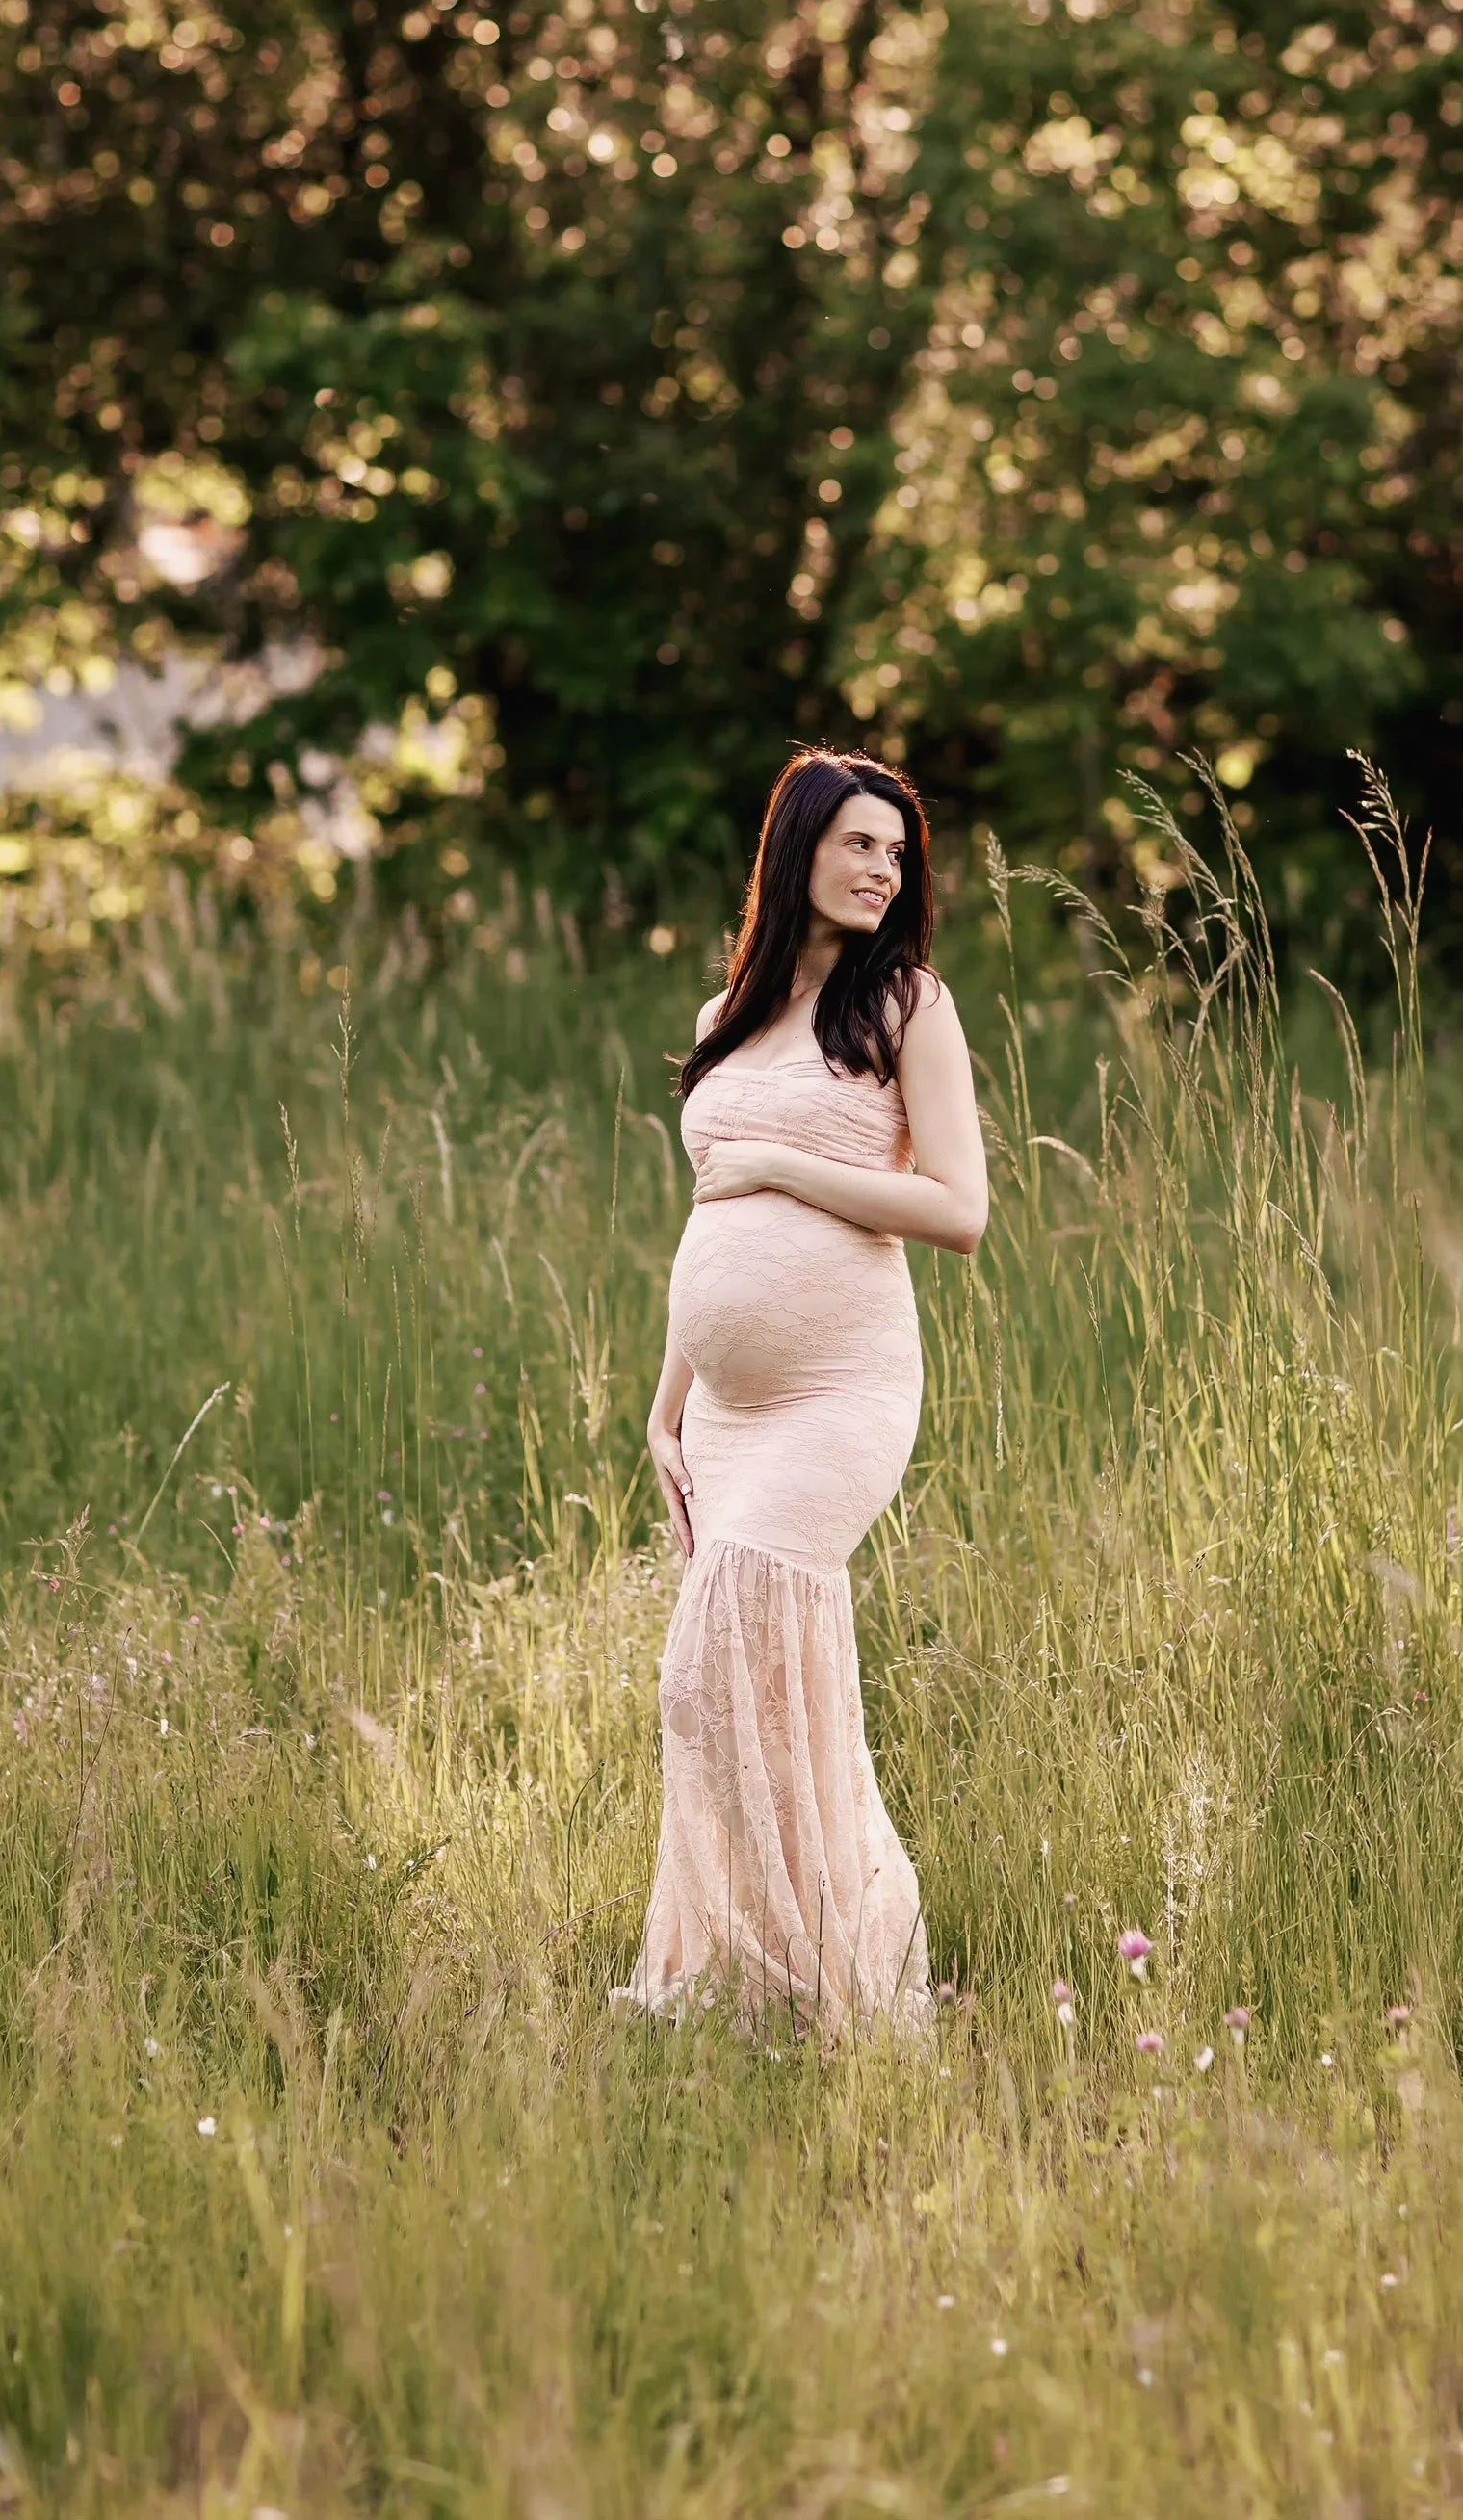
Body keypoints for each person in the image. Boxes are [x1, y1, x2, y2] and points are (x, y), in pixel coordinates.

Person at [617, 749, 987, 2035]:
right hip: (723, 1413)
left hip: (839, 1393)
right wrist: (667, 1402)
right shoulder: (729, 1014)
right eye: (859, 844)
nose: (883, 869)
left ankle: (837, 1971)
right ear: (798, 849)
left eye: (898, 852)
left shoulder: (909, 1007)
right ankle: (759, 1977)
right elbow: (711, 1218)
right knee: (743, 1691)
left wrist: (782, 1161)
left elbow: (959, 1210)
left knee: (706, 1667)